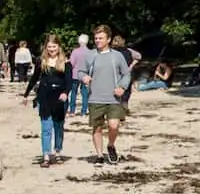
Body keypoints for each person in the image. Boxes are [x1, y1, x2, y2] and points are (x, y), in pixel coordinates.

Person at [75, 25, 132, 164]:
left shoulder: (117, 56)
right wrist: (84, 77)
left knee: (114, 125)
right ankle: (100, 156)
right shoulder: (91, 55)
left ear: (109, 39)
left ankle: (111, 145)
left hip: (114, 98)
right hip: (95, 97)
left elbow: (126, 74)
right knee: (97, 128)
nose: (97, 41)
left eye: (101, 38)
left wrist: (122, 87)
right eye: (96, 38)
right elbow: (80, 71)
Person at [23, 34, 73, 167]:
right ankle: (46, 155)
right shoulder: (41, 61)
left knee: (58, 127)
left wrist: (66, 93)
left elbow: (69, 82)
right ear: (46, 47)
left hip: (59, 98)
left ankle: (57, 153)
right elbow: (34, 78)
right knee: (46, 128)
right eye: (49, 47)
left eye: (54, 46)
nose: (51, 49)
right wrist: (26, 94)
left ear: (59, 47)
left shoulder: (66, 62)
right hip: (44, 97)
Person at [67, 34, 92, 116]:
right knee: (84, 93)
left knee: (73, 92)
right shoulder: (90, 52)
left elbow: (71, 63)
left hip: (75, 74)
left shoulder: (75, 51)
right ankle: (84, 111)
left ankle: (72, 110)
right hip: (85, 75)